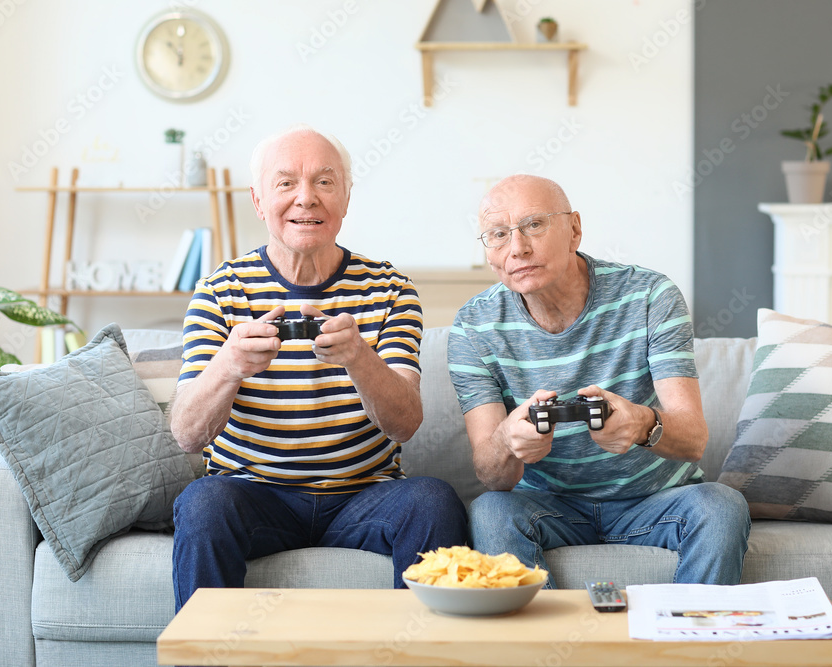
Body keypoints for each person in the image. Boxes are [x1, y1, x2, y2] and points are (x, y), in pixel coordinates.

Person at [169, 125, 467, 610]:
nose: (306, 199)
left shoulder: (391, 289)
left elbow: (405, 424)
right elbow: (186, 434)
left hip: (363, 495)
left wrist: (358, 358)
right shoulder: (219, 291)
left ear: (346, 198)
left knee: (433, 499)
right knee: (203, 502)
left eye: (325, 183)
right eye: (286, 183)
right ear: (258, 200)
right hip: (253, 493)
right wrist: (229, 365)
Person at [447, 174, 749, 588]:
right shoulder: (472, 326)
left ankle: (687, 646)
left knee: (722, 506)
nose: (517, 248)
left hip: (656, 500)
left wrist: (642, 424)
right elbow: (492, 475)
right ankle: (549, 651)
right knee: (489, 510)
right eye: (498, 234)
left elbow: (694, 439)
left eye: (534, 225)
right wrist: (508, 442)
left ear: (574, 230)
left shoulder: (650, 296)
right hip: (548, 506)